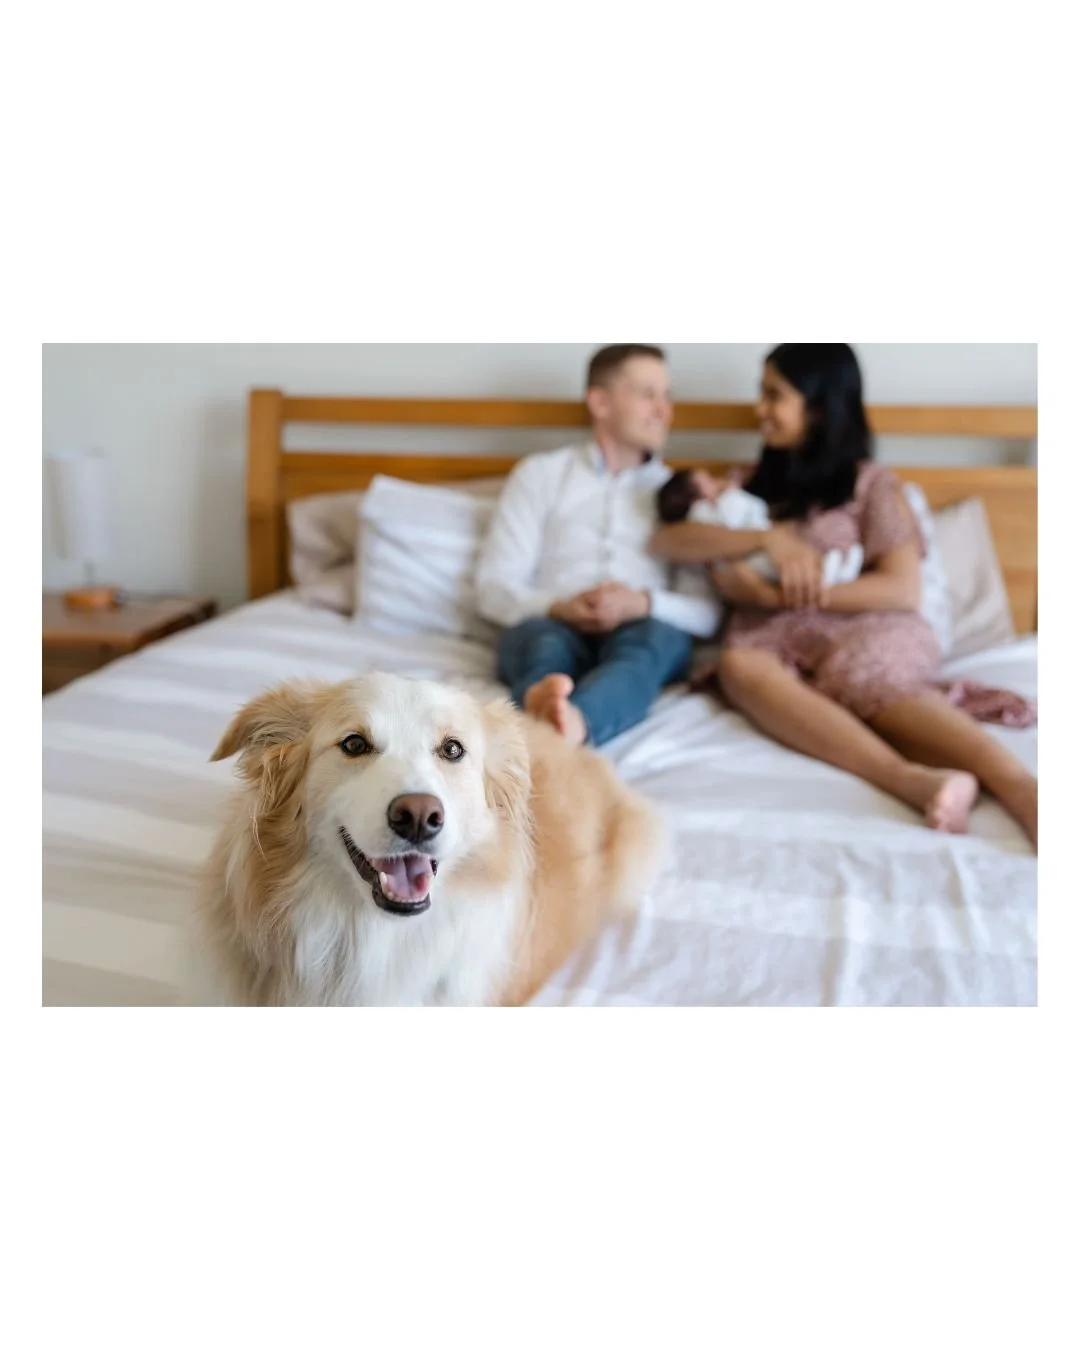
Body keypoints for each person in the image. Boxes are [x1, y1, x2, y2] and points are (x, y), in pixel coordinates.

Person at [650, 343, 1038, 848]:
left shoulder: (870, 486)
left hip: (867, 626)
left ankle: (1022, 789)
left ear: (819, 404)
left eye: (775, 395)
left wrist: (776, 597)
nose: (760, 409)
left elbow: (902, 588)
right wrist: (766, 538)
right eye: (761, 393)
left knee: (859, 671)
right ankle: (912, 780)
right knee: (739, 666)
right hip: (772, 645)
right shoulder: (743, 489)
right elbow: (667, 541)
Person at [475, 344, 796, 748]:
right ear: (600, 402)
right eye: (647, 394)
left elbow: (706, 615)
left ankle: (567, 726)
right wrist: (558, 606)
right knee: (542, 646)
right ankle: (548, 708)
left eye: (668, 396)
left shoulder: (682, 496)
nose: (664, 410)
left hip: (643, 627)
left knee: (651, 646)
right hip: (550, 621)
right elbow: (493, 587)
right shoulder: (540, 475)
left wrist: (642, 603)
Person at [657, 467, 864, 588]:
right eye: (708, 481)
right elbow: (728, 520)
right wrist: (730, 490)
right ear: (693, 498)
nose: (717, 482)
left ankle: (832, 566)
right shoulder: (701, 514)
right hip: (749, 557)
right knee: (787, 567)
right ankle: (831, 572)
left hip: (760, 540)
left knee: (796, 552)